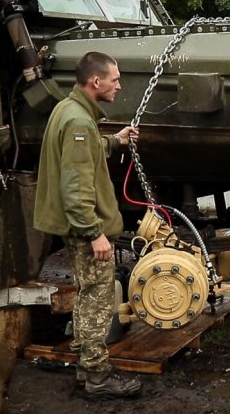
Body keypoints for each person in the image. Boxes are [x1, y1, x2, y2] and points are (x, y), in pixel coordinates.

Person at [34, 51, 141, 397]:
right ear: (96, 82)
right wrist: (95, 233)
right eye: (115, 79)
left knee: (85, 296)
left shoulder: (69, 110)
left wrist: (117, 140)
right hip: (86, 230)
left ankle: (85, 367)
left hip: (76, 229)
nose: (119, 86)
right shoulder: (80, 122)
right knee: (97, 300)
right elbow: (76, 187)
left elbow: (85, 151)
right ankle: (98, 377)